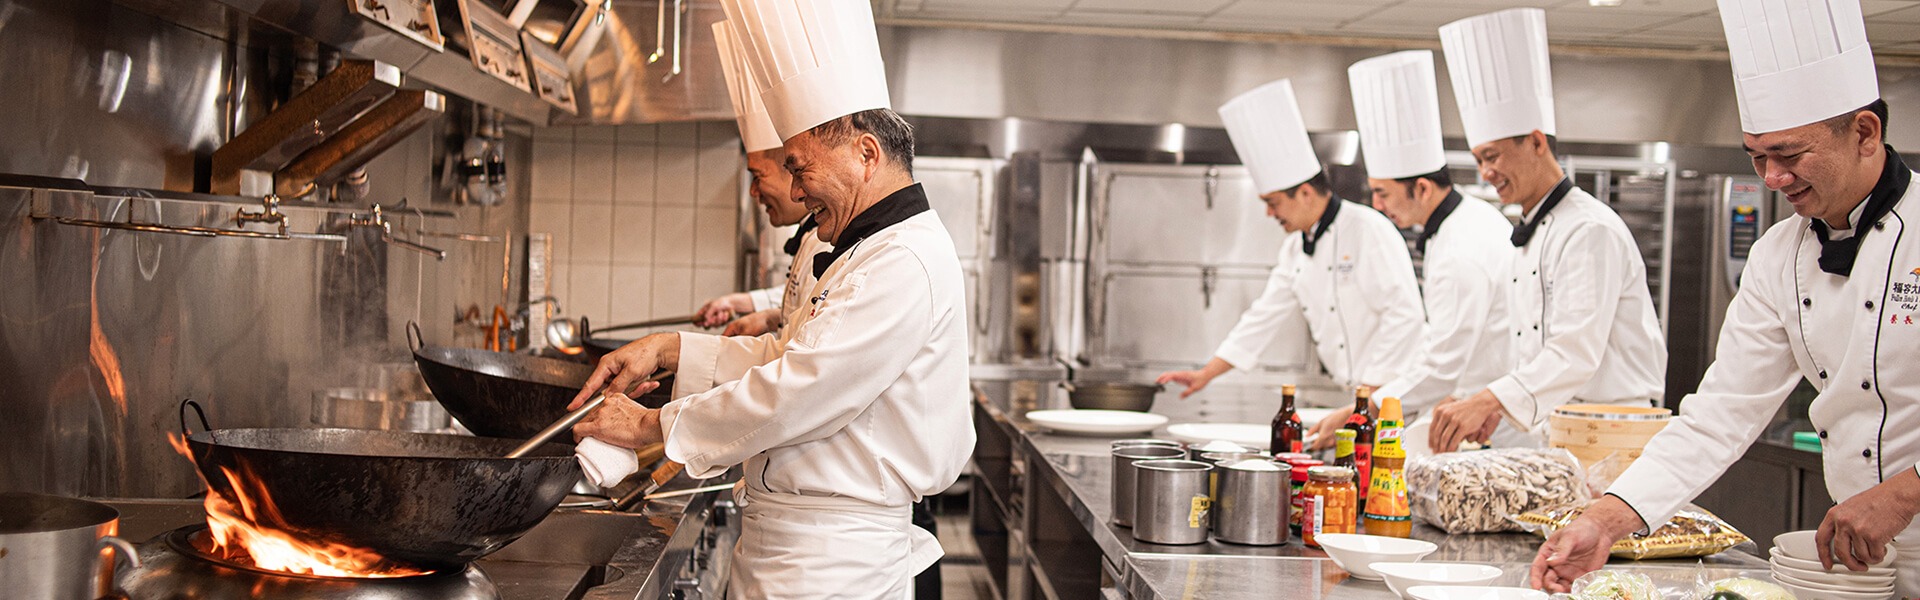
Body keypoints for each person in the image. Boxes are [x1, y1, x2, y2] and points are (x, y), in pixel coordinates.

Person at [568, 2, 973, 597]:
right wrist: (671, 350)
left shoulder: (904, 261)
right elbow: (788, 358)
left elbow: (802, 390)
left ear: (866, 154)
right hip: (793, 549)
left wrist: (653, 425)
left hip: (833, 567)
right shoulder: (866, 249)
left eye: (799, 168)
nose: (797, 190)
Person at [1532, 0, 1920, 594]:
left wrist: (1903, 491)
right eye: (1757, 157)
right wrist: (1606, 520)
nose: (1770, 179)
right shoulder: (1776, 257)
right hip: (1860, 564)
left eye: (1789, 155)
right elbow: (1720, 415)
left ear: (1865, 133)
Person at [1425, 8, 1666, 453]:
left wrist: (1489, 399)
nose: (1486, 173)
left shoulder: (1588, 230)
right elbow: (1534, 357)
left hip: (1612, 435)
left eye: (1493, 156)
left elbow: (1575, 352)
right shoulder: (1529, 234)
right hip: (1559, 431)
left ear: (1536, 142)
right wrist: (1495, 407)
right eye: (1479, 160)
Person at [1157, 79, 1426, 401]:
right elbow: (1264, 315)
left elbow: (1405, 316)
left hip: (1399, 393)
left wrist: (1370, 395)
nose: (1270, 214)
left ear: (1305, 193)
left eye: (1273, 203)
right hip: (1360, 396)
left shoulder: (1368, 229)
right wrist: (1206, 373)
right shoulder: (1296, 248)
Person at [1308, 50, 1521, 449]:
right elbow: (1438, 344)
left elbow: (1442, 364)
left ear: (1422, 188)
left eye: (1383, 193)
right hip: (1470, 413)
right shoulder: (1462, 224)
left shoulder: (1462, 247)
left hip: (1492, 431)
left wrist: (1364, 408)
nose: (1377, 205)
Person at [691, 21, 825, 338]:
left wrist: (677, 352)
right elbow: (798, 304)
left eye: (757, 175)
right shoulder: (814, 236)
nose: (753, 192)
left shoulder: (833, 241)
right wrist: (752, 308)